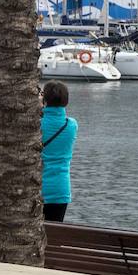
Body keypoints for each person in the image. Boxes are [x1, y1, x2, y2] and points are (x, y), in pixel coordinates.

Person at [40, 81, 77, 222]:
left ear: (45, 99)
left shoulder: (36, 124)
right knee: (54, 235)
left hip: (38, 187)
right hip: (60, 188)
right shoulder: (72, 124)